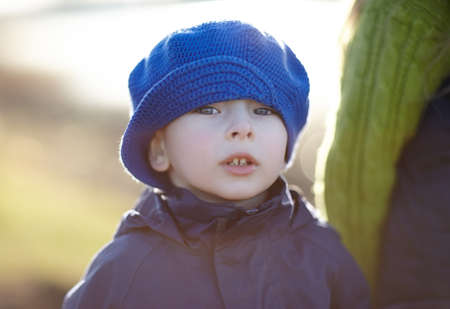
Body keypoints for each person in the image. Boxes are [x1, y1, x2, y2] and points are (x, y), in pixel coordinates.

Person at [62, 20, 369, 309]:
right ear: (159, 150)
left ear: (286, 143)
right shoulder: (124, 269)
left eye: (262, 111)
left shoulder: (323, 256)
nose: (242, 127)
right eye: (208, 109)